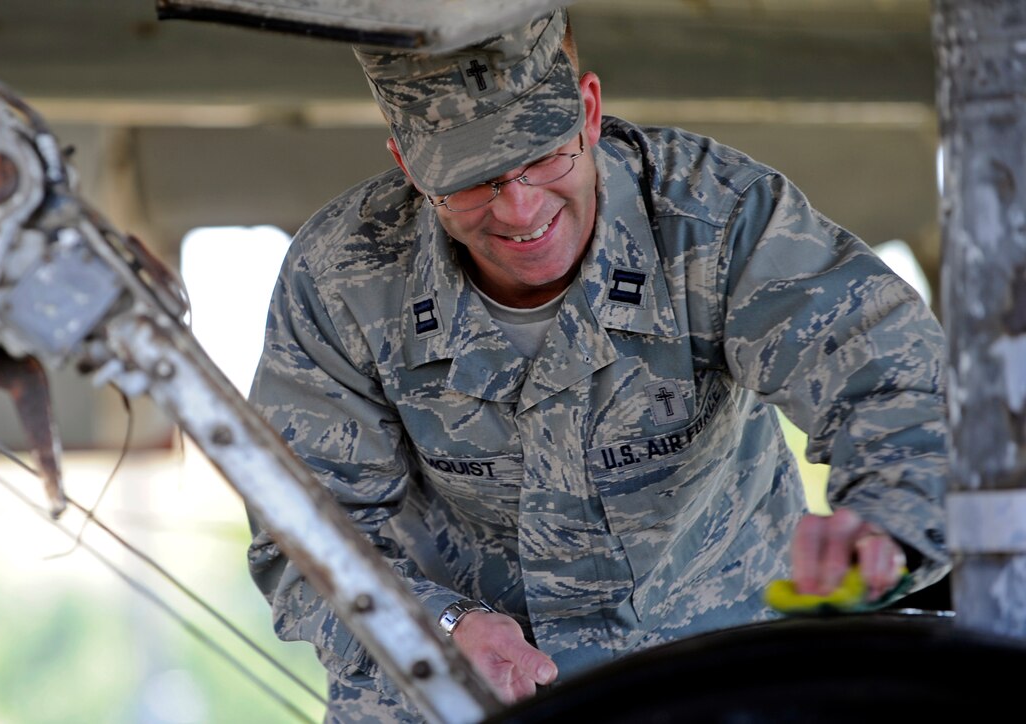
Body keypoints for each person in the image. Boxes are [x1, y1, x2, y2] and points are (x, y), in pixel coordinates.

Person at [246, 7, 950, 722]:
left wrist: (884, 519)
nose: (519, 211)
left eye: (545, 158)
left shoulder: (718, 219)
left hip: (710, 677)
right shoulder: (343, 276)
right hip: (464, 695)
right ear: (407, 165)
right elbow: (300, 534)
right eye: (469, 182)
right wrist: (440, 626)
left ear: (588, 111)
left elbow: (895, 380)